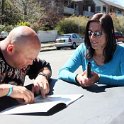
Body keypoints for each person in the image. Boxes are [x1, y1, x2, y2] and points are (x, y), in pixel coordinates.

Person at [58, 13, 124, 87]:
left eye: (97, 33)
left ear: (108, 34)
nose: (92, 37)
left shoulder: (121, 52)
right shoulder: (83, 49)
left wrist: (99, 78)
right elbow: (62, 72)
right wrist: (77, 78)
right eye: (90, 33)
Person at [0, 26, 52, 109]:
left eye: (33, 59)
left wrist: (42, 76)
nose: (31, 63)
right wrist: (9, 90)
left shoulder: (24, 54)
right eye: (29, 59)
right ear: (10, 49)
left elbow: (45, 67)